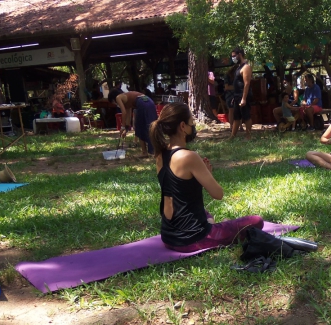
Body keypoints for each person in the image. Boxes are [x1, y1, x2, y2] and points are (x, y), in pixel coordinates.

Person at [149, 102, 263, 252]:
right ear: (183, 126)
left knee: (204, 212)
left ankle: (212, 222)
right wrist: (207, 175)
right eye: (192, 123)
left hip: (169, 237)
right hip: (192, 239)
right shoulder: (189, 157)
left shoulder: (160, 155)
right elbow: (218, 194)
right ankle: (218, 227)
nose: (193, 127)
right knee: (256, 221)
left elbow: (178, 191)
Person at [108, 90, 158, 158]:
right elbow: (128, 115)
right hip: (150, 102)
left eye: (113, 103)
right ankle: (156, 151)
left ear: (113, 99)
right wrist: (126, 129)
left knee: (140, 128)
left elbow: (124, 113)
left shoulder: (118, 97)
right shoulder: (126, 99)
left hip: (142, 104)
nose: (115, 104)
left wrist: (122, 127)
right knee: (151, 126)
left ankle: (144, 152)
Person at [229, 47, 252, 140]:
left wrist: (244, 98)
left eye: (234, 56)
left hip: (244, 96)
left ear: (240, 55)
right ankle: (232, 137)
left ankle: (248, 136)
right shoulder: (239, 67)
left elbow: (247, 83)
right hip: (237, 96)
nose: (233, 58)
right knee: (236, 117)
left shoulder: (246, 67)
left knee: (246, 116)